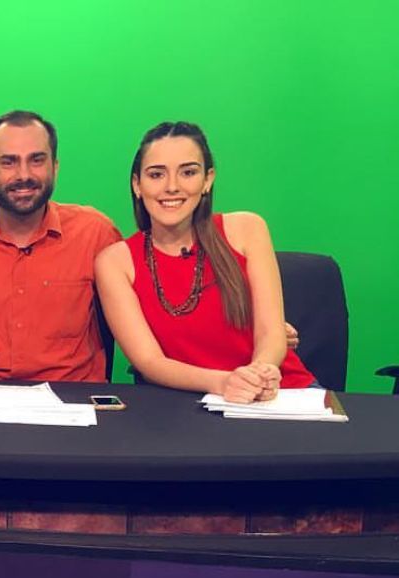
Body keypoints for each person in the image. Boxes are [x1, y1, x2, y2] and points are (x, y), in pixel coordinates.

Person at [93, 121, 314, 403]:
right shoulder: (115, 262)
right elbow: (149, 362)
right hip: (190, 405)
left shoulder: (248, 228)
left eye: (188, 172)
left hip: (282, 394)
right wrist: (225, 383)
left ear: (207, 180)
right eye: (156, 174)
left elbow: (271, 332)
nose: (172, 187)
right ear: (137, 184)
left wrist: (259, 375)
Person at [0, 110, 122, 382]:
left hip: (74, 403)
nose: (24, 174)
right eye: (9, 162)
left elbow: (142, 323)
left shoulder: (96, 234)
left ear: (55, 166)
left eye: (37, 160)